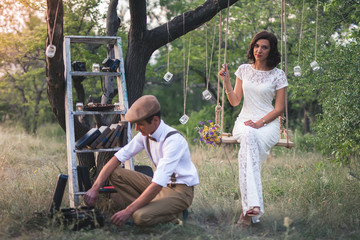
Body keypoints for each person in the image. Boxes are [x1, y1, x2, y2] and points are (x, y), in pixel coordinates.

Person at [84, 95, 199, 227]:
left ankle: (176, 214)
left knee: (139, 217)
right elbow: (117, 158)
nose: (137, 128)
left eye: (140, 124)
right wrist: (95, 188)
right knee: (116, 173)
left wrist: (127, 211)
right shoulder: (145, 135)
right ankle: (151, 209)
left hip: (179, 191)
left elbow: (157, 184)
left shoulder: (173, 141)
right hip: (161, 186)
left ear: (155, 120)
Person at [218, 31, 288, 227]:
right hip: (245, 121)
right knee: (248, 135)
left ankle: (247, 212)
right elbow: (235, 101)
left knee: (249, 147)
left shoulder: (278, 74)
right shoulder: (243, 70)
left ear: (271, 50)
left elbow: (279, 109)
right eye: (257, 46)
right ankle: (252, 209)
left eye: (264, 47)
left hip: (268, 124)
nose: (259, 50)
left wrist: (260, 123)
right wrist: (226, 81)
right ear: (252, 47)